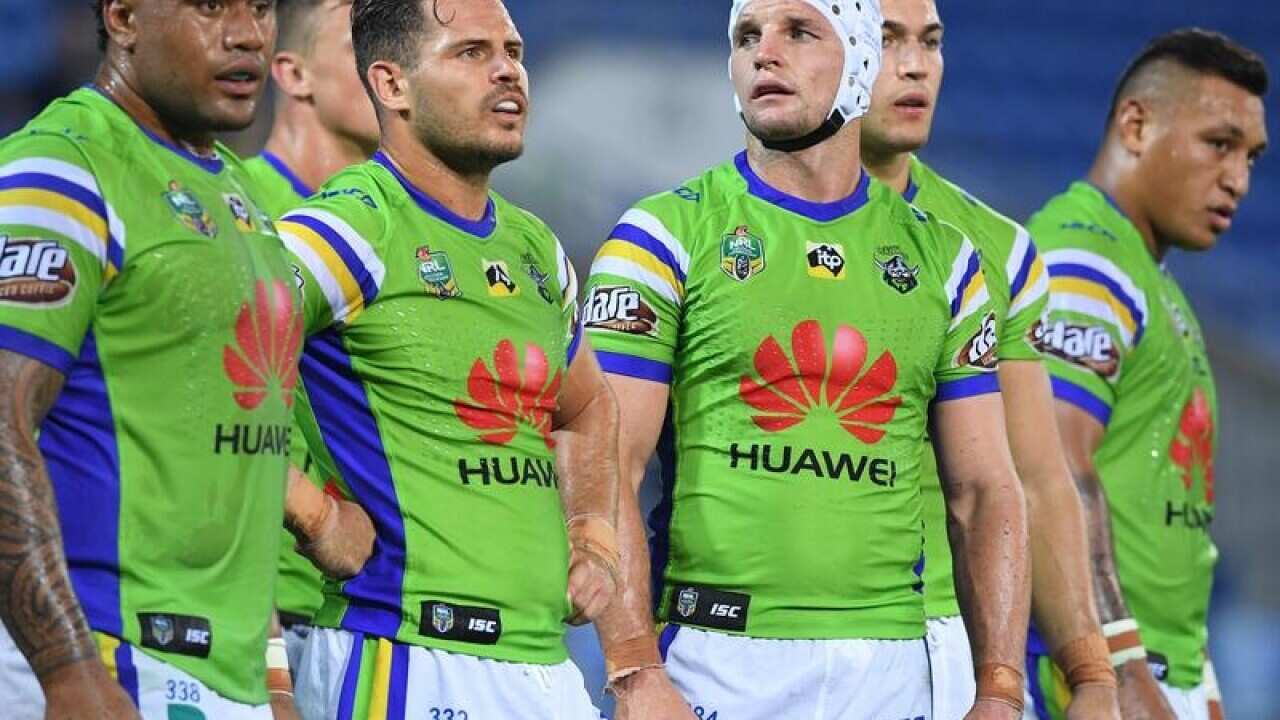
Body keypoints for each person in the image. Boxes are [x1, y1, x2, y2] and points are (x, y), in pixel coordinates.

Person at [584, 0, 1030, 718]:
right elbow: (606, 466)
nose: (764, 53)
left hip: (891, 665)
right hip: (711, 656)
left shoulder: (947, 261)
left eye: (798, 32)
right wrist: (634, 671)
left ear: (859, 57)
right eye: (746, 36)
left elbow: (985, 491)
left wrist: (1002, 690)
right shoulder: (662, 236)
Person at [0, 1, 370, 718]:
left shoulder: (238, 197)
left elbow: (239, 481)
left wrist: (273, 683)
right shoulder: (63, 168)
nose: (246, 34)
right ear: (125, 17)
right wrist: (67, 669)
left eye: (261, 8)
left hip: (227, 676)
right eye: (210, 7)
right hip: (103, 654)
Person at [276, 1, 628, 717]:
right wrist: (311, 515)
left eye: (514, 50)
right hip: (405, 657)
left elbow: (588, 403)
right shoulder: (350, 226)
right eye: (470, 53)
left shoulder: (535, 249)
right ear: (392, 85)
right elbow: (210, 351)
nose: (508, 71)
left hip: (544, 668)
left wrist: (593, 536)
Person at [859, 2, 1121, 718]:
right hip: (749, 639)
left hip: (949, 646)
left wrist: (1091, 672)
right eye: (888, 42)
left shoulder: (995, 248)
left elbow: (1038, 477)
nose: (916, 66)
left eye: (930, 42)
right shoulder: (715, 229)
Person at [1026, 29, 1268, 720]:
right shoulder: (1085, 256)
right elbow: (1052, 465)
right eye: (1218, 144)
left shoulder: (1154, 282)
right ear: (1136, 124)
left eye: (1250, 157)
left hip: (1164, 669)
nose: (1239, 180)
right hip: (1094, 676)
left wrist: (1196, 679)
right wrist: (1121, 665)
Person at [242, 0, 380, 675]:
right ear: (293, 73)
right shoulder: (233, 210)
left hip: (373, 625)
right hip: (256, 619)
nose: (392, 66)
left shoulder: (409, 234)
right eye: (365, 45)